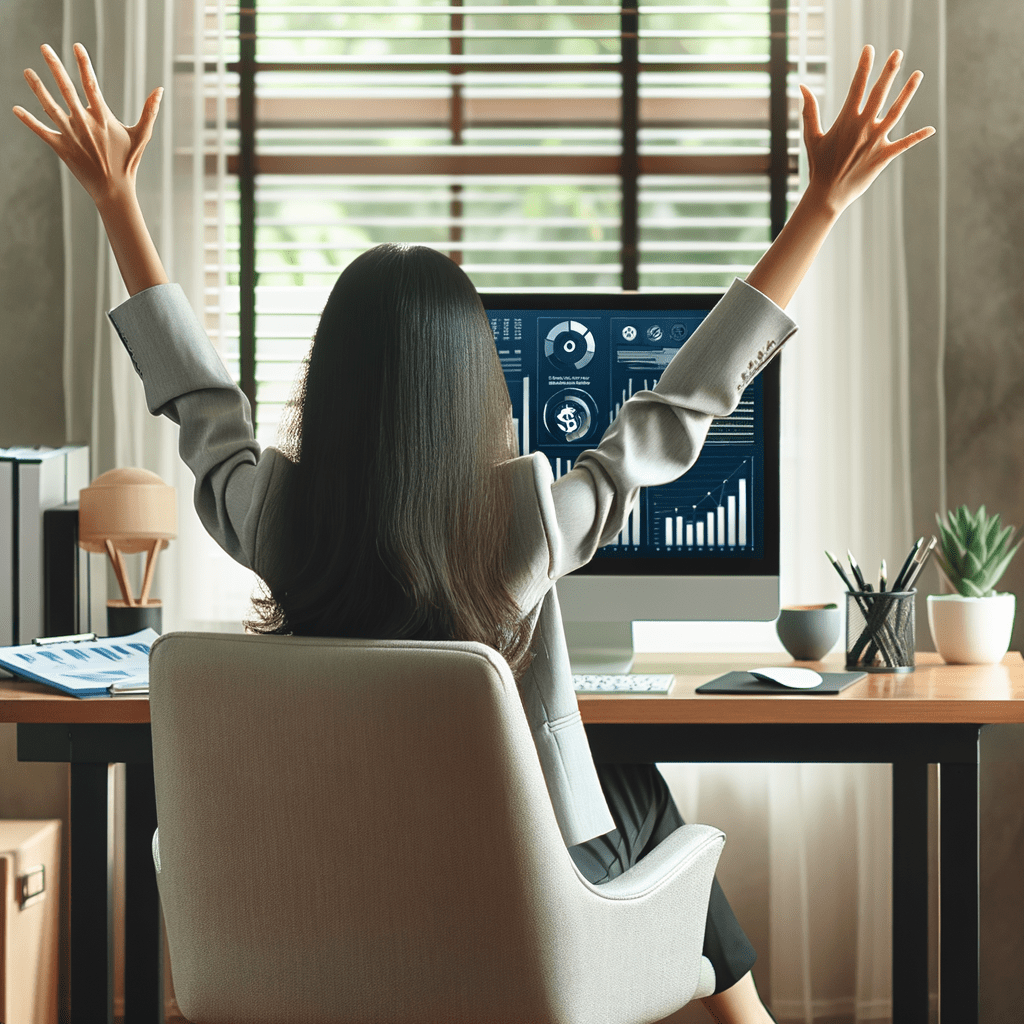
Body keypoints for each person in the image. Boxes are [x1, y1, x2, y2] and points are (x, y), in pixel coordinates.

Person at [14, 42, 933, 1024]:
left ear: (328, 385)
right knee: (640, 792)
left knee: (622, 774)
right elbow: (678, 413)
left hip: (326, 890)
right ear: (472, 390)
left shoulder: (276, 517)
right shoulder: (523, 521)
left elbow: (197, 401)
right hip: (506, 899)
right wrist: (820, 207)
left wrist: (117, 202)